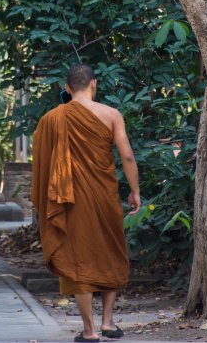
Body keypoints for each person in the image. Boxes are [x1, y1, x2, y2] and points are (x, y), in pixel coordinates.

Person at [31, 63, 141, 342]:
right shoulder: (111, 114)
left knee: (78, 258)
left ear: (67, 88)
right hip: (104, 197)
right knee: (111, 252)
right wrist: (135, 191)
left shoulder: (50, 119)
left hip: (68, 201)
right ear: (94, 83)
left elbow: (43, 167)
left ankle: (89, 330)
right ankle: (107, 323)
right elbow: (127, 156)